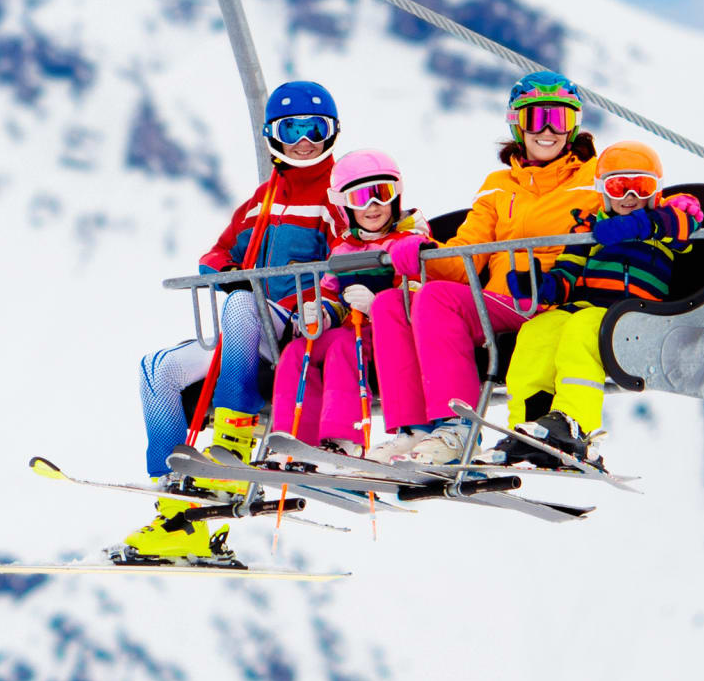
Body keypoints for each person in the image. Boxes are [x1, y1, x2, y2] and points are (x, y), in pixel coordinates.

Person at [120, 80, 342, 563]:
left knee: (242, 305)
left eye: (314, 128)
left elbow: (349, 260)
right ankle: (175, 500)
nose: (303, 140)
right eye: (291, 128)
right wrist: (224, 271)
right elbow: (218, 253)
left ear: (332, 133)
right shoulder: (264, 199)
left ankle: (233, 447)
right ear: (273, 136)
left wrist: (320, 301)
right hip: (250, 329)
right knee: (157, 368)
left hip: (297, 328)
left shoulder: (336, 195)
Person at [366, 71, 602, 465]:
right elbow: (467, 256)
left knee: (436, 298)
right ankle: (415, 430)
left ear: (573, 125)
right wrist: (425, 253)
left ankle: (458, 428)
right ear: (516, 123)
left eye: (558, 119)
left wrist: (677, 208)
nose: (547, 130)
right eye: (535, 118)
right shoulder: (498, 185)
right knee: (393, 303)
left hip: (550, 297)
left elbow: (635, 193)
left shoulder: (592, 177)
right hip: (500, 301)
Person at [490, 140, 703, 468]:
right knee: (537, 331)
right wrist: (539, 288)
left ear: (655, 191)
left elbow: (686, 227)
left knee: (582, 328)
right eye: (618, 187)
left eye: (640, 186)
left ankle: (573, 423)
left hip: (638, 315)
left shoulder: (668, 220)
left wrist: (637, 226)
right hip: (588, 306)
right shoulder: (588, 229)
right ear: (603, 190)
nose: (629, 197)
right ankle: (529, 426)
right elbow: (566, 277)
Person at [271, 150, 429, 454]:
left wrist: (380, 304)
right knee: (297, 349)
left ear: (395, 197)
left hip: (392, 333)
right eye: (360, 198)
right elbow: (332, 292)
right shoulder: (344, 251)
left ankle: (344, 438)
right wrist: (324, 312)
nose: (372, 206)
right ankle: (294, 439)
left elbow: (419, 288)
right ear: (344, 207)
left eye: (381, 194)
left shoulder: (408, 241)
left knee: (345, 345)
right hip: (351, 327)